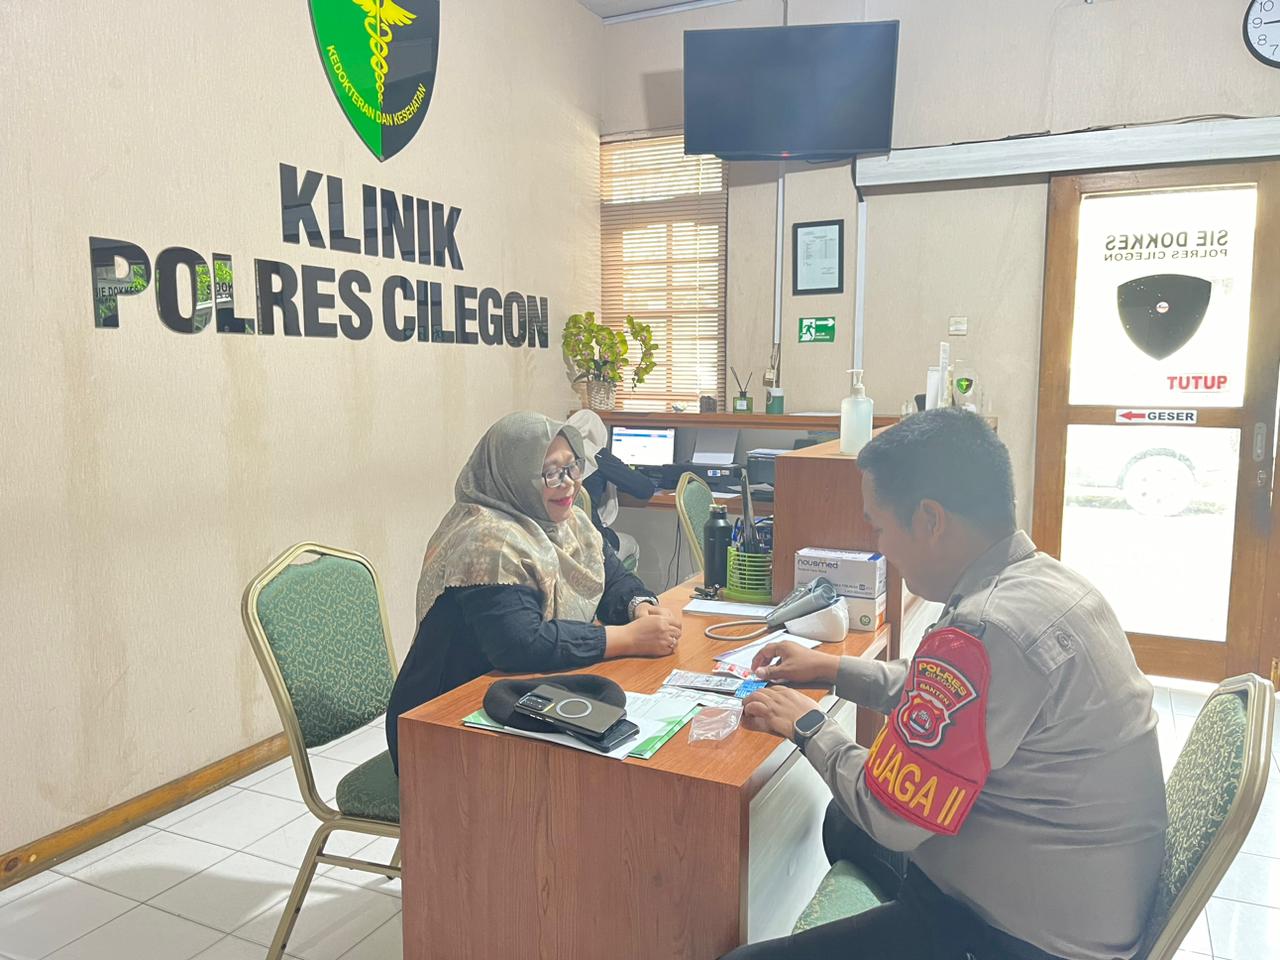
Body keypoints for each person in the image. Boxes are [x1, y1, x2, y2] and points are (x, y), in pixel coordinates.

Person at [728, 408, 1167, 960]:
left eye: (880, 528)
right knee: (843, 821)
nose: (882, 548)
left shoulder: (986, 629)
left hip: (1019, 939)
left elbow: (890, 814)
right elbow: (948, 702)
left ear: (930, 520)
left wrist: (809, 725)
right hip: (1075, 885)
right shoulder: (1043, 582)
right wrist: (832, 669)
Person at [385, 411, 681, 773]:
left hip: (521, 699)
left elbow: (613, 576)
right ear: (512, 476)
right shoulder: (489, 539)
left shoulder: (570, 523)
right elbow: (520, 644)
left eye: (572, 467)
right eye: (550, 473)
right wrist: (629, 638)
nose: (568, 484)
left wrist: (638, 606)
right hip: (443, 726)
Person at [566, 409, 655, 564]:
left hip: (561, 543)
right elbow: (644, 489)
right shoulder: (597, 455)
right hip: (594, 542)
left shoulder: (554, 455)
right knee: (632, 544)